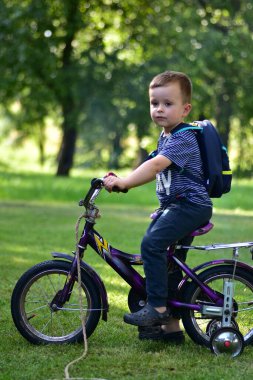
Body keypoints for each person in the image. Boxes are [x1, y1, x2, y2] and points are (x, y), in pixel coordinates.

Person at [104, 70, 213, 343]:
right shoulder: (166, 137)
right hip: (178, 206)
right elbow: (153, 167)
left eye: (168, 104)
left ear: (185, 109)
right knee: (170, 266)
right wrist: (119, 179)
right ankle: (171, 330)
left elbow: (154, 166)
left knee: (151, 244)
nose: (160, 109)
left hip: (190, 206)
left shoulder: (183, 138)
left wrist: (125, 182)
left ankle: (157, 308)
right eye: (155, 103)